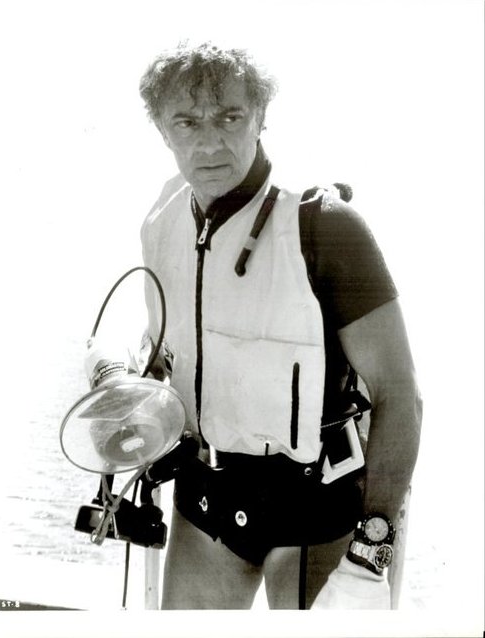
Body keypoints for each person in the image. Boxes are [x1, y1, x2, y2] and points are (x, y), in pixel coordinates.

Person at [137, 41, 422, 610]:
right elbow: (164, 350)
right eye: (187, 122)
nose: (210, 143)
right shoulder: (162, 220)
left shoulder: (324, 226)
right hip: (208, 500)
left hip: (317, 508)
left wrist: (371, 554)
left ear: (261, 116)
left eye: (230, 117)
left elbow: (401, 395)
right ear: (162, 131)